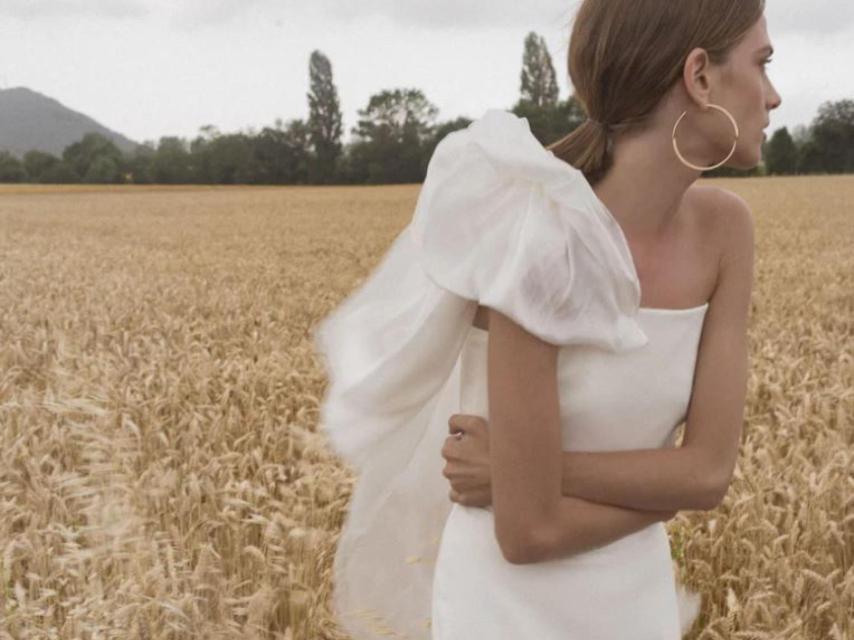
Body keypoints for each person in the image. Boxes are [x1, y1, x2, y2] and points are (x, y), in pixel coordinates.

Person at [312, 0, 782, 638]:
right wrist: (663, 489)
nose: (774, 96)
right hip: (506, 607)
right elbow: (529, 532)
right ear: (700, 77)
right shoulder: (540, 237)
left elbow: (707, 475)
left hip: (636, 599)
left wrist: (512, 470)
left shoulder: (726, 233)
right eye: (763, 63)